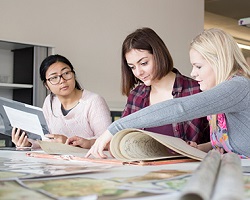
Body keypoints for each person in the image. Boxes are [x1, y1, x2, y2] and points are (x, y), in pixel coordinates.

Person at [86, 28, 250, 159]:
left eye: (198, 66)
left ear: (218, 62)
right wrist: (199, 149)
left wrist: (115, 127)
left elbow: (180, 108)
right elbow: (225, 142)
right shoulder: (223, 95)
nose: (193, 73)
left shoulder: (238, 86)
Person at [66, 27, 209, 148]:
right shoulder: (136, 96)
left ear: (159, 55)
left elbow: (218, 140)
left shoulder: (196, 90)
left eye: (144, 63)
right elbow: (121, 137)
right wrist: (91, 143)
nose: (138, 72)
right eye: (132, 67)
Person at [12, 54, 112, 149]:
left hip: (88, 164)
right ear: (46, 85)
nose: (62, 80)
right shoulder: (49, 101)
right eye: (54, 77)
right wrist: (29, 143)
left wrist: (67, 142)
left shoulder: (93, 101)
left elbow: (108, 142)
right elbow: (47, 139)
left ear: (74, 75)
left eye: (66, 73)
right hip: (58, 163)